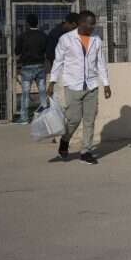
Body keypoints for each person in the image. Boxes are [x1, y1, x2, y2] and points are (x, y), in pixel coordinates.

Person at [47, 10, 111, 165]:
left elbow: (100, 63)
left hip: (91, 85)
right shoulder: (66, 39)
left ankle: (86, 152)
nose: (93, 26)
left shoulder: (96, 39)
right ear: (81, 23)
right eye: (90, 23)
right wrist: (52, 81)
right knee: (74, 119)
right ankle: (65, 140)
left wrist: (106, 83)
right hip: (73, 85)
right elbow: (58, 62)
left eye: (94, 23)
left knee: (89, 120)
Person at [15, 13, 48, 123]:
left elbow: (17, 51)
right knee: (42, 91)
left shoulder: (23, 36)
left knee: (25, 93)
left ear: (27, 23)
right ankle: (45, 116)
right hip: (40, 66)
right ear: (37, 23)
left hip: (27, 67)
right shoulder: (43, 35)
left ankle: (24, 117)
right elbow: (46, 51)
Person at [45, 12, 78, 87]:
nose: (75, 30)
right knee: (59, 95)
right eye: (73, 27)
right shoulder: (55, 34)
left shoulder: (72, 33)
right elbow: (50, 54)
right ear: (69, 23)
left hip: (73, 72)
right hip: (60, 71)